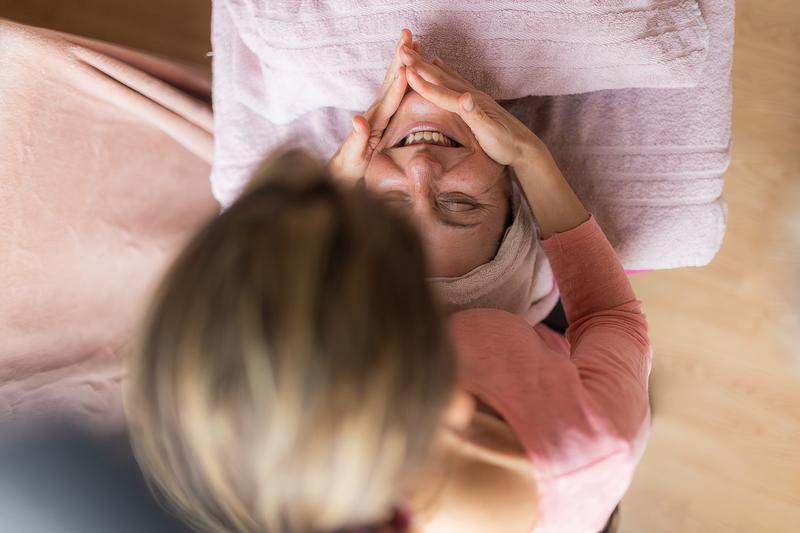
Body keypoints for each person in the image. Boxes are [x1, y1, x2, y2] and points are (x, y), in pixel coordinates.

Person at [126, 53, 651, 531]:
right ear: (447, 398)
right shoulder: (592, 444)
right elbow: (611, 316)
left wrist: (339, 178)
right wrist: (530, 156)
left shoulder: (252, 448)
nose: (421, 172)